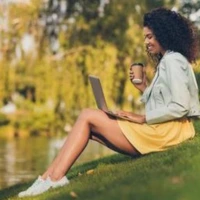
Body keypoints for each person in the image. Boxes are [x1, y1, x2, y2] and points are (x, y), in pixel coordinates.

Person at [18, 7, 200, 197]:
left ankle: (54, 179)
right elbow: (165, 104)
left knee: (88, 115)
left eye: (150, 37)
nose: (146, 42)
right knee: (89, 122)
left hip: (170, 133)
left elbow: (180, 106)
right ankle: (47, 178)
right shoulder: (167, 61)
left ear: (164, 34)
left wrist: (141, 118)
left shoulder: (173, 61)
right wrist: (144, 89)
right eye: (145, 38)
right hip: (166, 130)